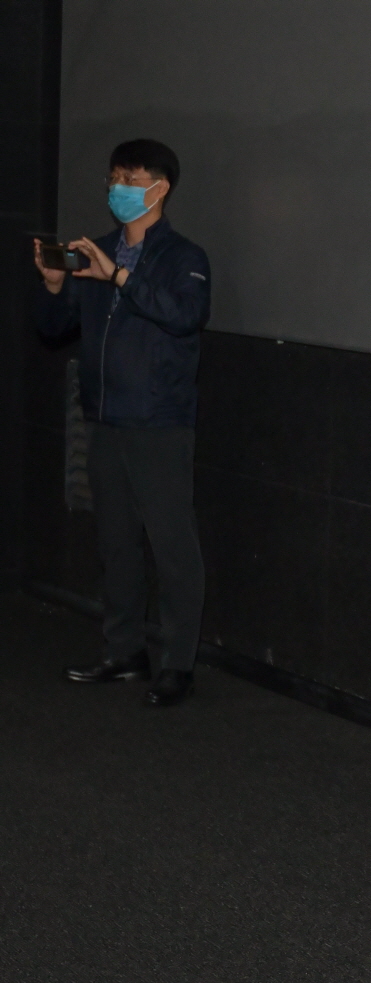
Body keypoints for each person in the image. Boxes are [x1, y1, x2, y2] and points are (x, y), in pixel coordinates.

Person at [33, 138, 211, 708]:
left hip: (158, 421)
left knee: (172, 546)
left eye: (130, 179)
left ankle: (178, 666)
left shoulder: (183, 256)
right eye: (113, 178)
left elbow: (185, 316)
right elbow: (54, 328)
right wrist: (55, 285)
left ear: (160, 187)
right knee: (116, 544)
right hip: (104, 418)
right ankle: (125, 652)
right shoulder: (96, 250)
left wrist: (121, 278)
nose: (118, 189)